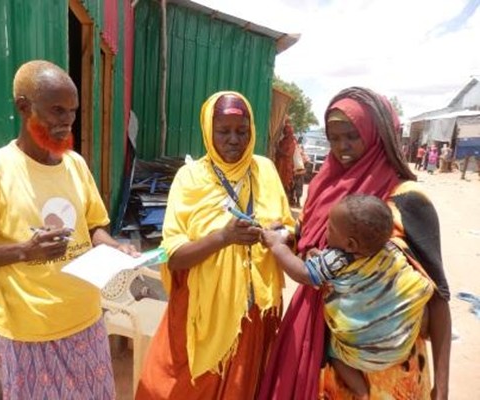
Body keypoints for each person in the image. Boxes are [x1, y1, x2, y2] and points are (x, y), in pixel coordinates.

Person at [0, 60, 139, 399]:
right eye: (57, 111)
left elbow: (94, 226)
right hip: (29, 335)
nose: (67, 121)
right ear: (24, 107)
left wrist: (112, 247)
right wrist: (25, 250)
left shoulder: (76, 165)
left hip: (87, 325)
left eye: (72, 112)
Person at [258, 87, 451, 400]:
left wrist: (441, 387)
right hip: (325, 347)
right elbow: (309, 238)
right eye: (334, 138)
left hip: (388, 364)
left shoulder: (408, 199)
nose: (341, 147)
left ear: (378, 134)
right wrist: (287, 236)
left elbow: (438, 297)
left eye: (352, 136)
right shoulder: (325, 186)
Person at [135, 91, 295, 399]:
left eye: (242, 131)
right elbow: (175, 257)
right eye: (223, 131)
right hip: (201, 313)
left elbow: (290, 228)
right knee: (177, 387)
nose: (234, 140)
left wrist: (280, 235)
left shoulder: (266, 170)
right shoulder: (190, 178)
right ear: (209, 130)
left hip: (252, 315)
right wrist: (224, 237)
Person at [262, 194, 434, 399]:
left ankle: (361, 392)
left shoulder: (338, 258)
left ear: (351, 245)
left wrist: (277, 246)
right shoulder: (391, 252)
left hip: (360, 356)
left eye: (331, 229)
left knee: (333, 352)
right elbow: (416, 284)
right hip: (398, 349)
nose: (326, 231)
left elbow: (304, 273)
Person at [275, 116, 299, 206]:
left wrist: (278, 149)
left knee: (285, 185)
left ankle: (285, 203)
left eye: (287, 131)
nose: (285, 132)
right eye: (284, 131)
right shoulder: (283, 141)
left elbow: (288, 154)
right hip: (280, 166)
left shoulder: (291, 142)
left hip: (286, 167)